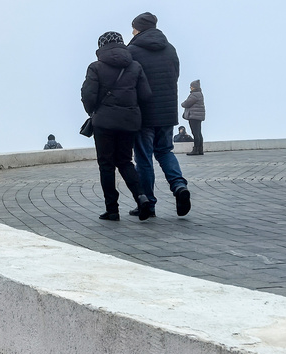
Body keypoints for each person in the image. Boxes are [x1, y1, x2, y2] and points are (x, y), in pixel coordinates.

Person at [81, 32, 154, 221]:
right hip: (129, 122)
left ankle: (112, 209)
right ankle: (141, 197)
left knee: (106, 165)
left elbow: (89, 95)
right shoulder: (135, 66)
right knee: (125, 161)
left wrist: (93, 111)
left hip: (104, 122)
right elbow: (145, 95)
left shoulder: (95, 67)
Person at [126, 12, 191, 217]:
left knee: (144, 159)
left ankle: (148, 204)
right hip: (167, 112)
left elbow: (129, 82)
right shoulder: (170, 49)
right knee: (165, 152)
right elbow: (176, 76)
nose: (132, 31)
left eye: (134, 27)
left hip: (144, 114)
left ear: (139, 28)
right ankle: (179, 187)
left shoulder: (133, 50)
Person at [181, 80, 206, 156]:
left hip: (194, 116)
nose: (190, 88)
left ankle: (196, 149)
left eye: (191, 86)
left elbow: (186, 103)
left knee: (195, 133)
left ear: (194, 87)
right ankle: (200, 149)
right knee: (198, 133)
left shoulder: (194, 95)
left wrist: (182, 103)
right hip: (198, 116)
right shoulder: (199, 94)